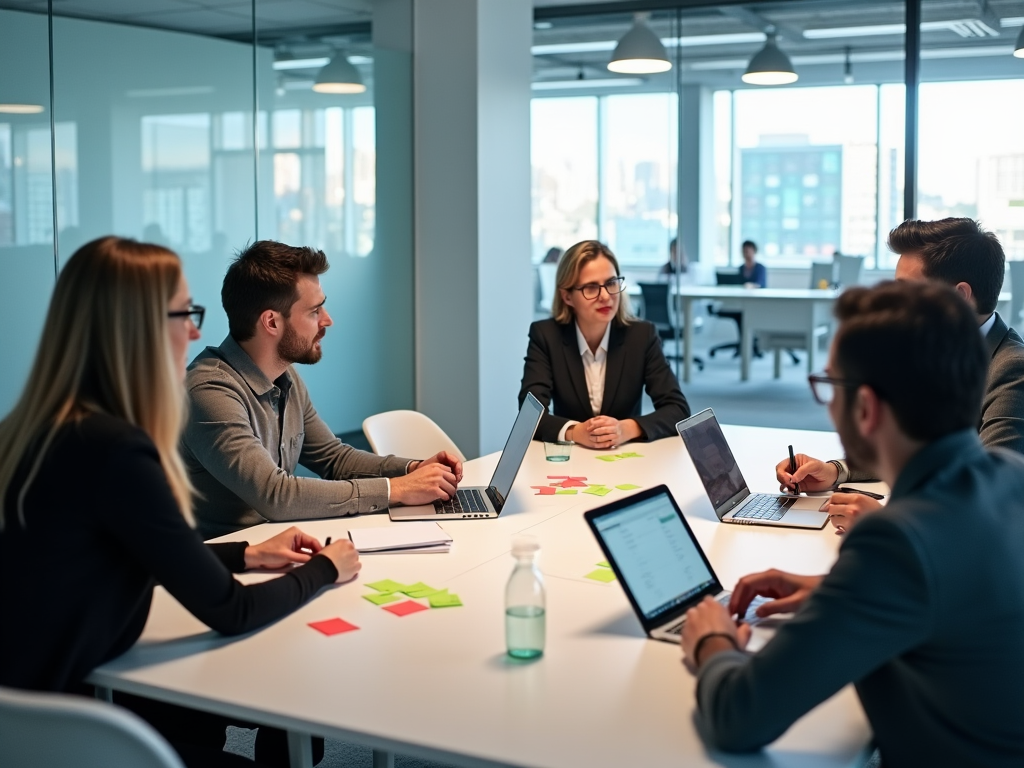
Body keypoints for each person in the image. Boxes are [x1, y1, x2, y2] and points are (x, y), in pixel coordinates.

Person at [0, 237, 361, 767]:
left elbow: (122, 555)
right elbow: (233, 611)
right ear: (135, 327)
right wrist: (325, 570)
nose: (195, 331)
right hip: (78, 730)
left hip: (27, 719)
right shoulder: (117, 451)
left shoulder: (39, 431)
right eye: (184, 313)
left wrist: (244, 555)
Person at [682, 280, 1024, 766]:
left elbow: (739, 716)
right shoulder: (1010, 476)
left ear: (864, 408)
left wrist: (711, 640)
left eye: (830, 387)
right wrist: (834, 591)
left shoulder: (897, 542)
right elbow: (957, 592)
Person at [183, 241, 462, 539]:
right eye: (314, 311)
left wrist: (412, 469)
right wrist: (397, 489)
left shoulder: (284, 375)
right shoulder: (209, 390)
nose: (327, 320)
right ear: (272, 322)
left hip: (274, 547)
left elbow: (334, 459)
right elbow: (276, 496)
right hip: (224, 565)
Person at [777, 218, 1024, 531]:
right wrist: (835, 471)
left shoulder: (1012, 368)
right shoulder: (935, 352)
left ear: (960, 297)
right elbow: (913, 450)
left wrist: (886, 523)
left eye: (907, 292)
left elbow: (989, 495)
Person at [518, 240, 690, 448]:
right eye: (591, 288)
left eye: (611, 283)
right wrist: (575, 432)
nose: (606, 296)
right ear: (567, 297)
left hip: (628, 461)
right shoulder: (546, 336)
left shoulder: (641, 336)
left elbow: (677, 409)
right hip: (569, 464)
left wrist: (626, 429)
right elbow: (529, 417)